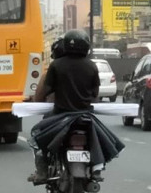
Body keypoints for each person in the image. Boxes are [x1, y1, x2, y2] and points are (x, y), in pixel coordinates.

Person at [28, 29, 100, 182]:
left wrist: (39, 102)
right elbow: (95, 95)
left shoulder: (56, 66)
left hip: (60, 115)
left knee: (37, 135)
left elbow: (43, 92)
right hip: (85, 116)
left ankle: (42, 171)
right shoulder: (92, 66)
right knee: (98, 137)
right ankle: (97, 168)